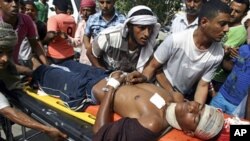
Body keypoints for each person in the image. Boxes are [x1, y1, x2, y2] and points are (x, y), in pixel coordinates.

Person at [30, 60, 225, 141]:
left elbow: (100, 132)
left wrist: (112, 88)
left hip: (83, 89)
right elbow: (145, 91)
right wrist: (140, 78)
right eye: (200, 107)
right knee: (64, 62)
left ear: (189, 131)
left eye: (195, 117)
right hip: (101, 73)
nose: (193, 107)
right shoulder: (175, 97)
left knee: (40, 72)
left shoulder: (153, 122)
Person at [142, 0, 231, 104]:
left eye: (228, 24)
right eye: (222, 24)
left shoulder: (218, 54)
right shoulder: (176, 40)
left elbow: (202, 85)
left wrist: (197, 108)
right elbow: (151, 67)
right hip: (158, 88)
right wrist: (141, 89)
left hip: (181, 97)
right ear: (204, 22)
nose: (227, 29)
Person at [0, 20, 66, 141]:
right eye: (0, 52)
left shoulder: (6, 63)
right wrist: (46, 129)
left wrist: (38, 72)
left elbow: (13, 68)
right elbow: (7, 111)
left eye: (9, 52)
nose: (5, 58)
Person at [87, 5, 160, 72]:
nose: (147, 34)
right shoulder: (110, 37)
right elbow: (90, 52)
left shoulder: (149, 47)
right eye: (142, 28)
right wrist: (102, 71)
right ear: (129, 26)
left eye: (150, 29)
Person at [210, 16, 250, 118]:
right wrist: (226, 56)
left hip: (239, 106)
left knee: (231, 132)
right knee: (208, 122)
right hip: (222, 96)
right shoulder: (244, 49)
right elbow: (228, 67)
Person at [0, 0, 48, 75]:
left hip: (13, 71)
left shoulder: (26, 20)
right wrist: (26, 71)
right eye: (8, 0)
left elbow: (35, 45)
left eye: (17, 1)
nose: (14, 4)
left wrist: (47, 67)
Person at [212, 0, 249, 92]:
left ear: (244, 15)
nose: (232, 13)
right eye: (231, 9)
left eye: (237, 11)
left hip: (217, 78)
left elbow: (220, 51)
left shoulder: (241, 32)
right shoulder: (223, 23)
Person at [66, 0, 96, 64]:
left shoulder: (98, 24)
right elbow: (77, 41)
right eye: (83, 10)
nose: (85, 13)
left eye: (88, 10)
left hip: (96, 61)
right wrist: (67, 38)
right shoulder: (81, 24)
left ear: (93, 11)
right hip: (84, 60)